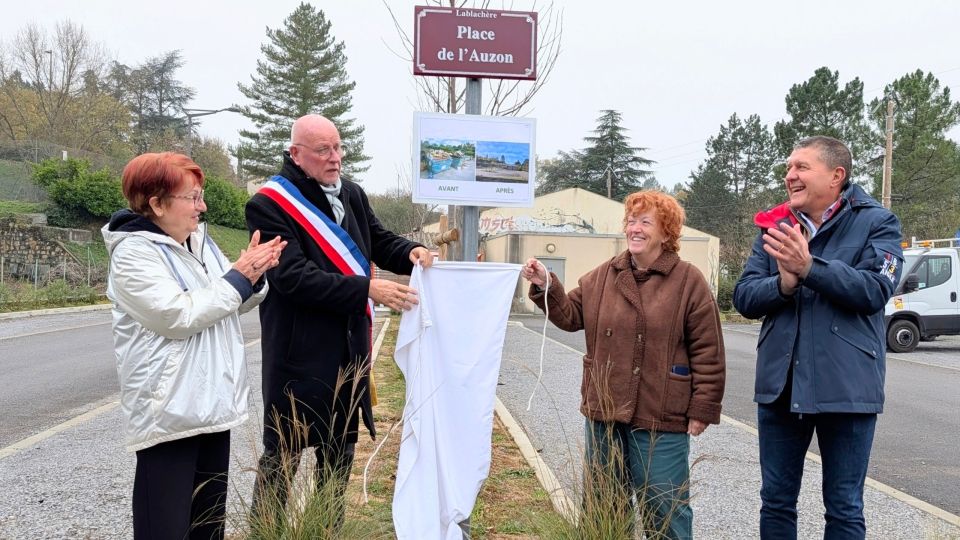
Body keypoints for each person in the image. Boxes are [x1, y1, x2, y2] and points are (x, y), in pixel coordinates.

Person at [245, 114, 432, 523]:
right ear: (296, 154)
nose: (336, 158)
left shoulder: (352, 193)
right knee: (283, 456)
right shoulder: (269, 204)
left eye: (339, 147)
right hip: (299, 355)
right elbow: (292, 277)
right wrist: (366, 288)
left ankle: (326, 529)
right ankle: (267, 532)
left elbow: (379, 240)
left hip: (349, 352)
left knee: (339, 455)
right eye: (323, 150)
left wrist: (410, 252)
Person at [520, 190, 725, 539]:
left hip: (661, 410)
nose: (635, 228)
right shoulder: (604, 276)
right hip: (606, 407)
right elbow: (569, 316)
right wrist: (546, 285)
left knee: (664, 505)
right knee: (604, 503)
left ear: (666, 232)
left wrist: (702, 407)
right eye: (631, 221)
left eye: (646, 222)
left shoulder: (689, 281)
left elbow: (708, 350)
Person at [103, 152, 285, 539]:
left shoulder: (197, 240)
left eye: (201, 196)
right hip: (169, 412)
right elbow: (177, 316)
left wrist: (254, 274)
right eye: (193, 197)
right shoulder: (134, 253)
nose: (202, 207)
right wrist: (239, 276)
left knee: (207, 527)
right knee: (165, 528)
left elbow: (232, 299)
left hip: (211, 405)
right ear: (156, 203)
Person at [733, 136, 904, 539]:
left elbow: (877, 290)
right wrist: (785, 285)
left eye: (802, 167)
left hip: (846, 389)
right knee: (775, 500)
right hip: (780, 387)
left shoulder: (878, 222)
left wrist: (811, 268)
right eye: (789, 167)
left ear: (836, 176)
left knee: (844, 507)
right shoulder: (775, 227)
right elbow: (744, 296)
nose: (790, 175)